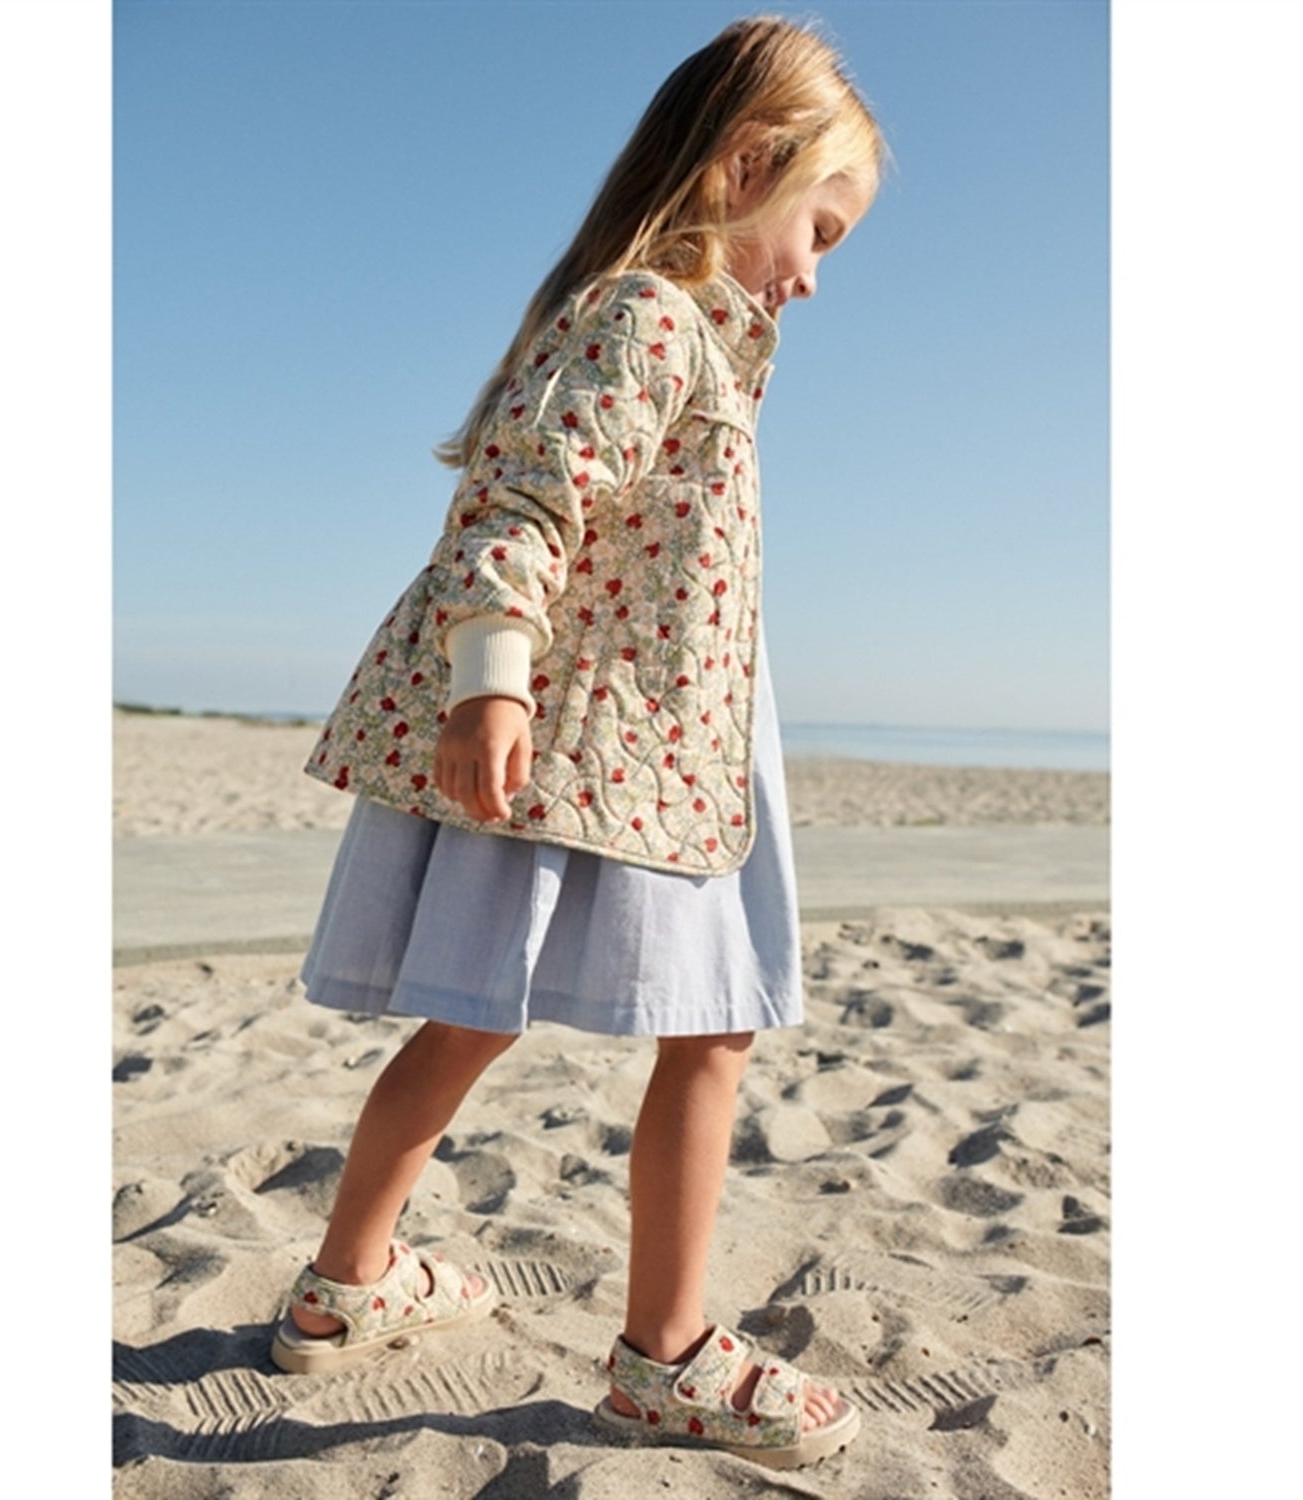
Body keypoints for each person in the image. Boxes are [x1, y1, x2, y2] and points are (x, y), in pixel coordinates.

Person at [268, 15, 888, 1472]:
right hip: (600, 733)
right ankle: (664, 1356)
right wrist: (490, 681)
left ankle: (344, 1287)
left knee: (478, 1015)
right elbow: (527, 493)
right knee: (709, 1027)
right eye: (821, 229)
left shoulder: (684, 331)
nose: (814, 274)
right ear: (748, 163)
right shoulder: (649, 316)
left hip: (641, 734)